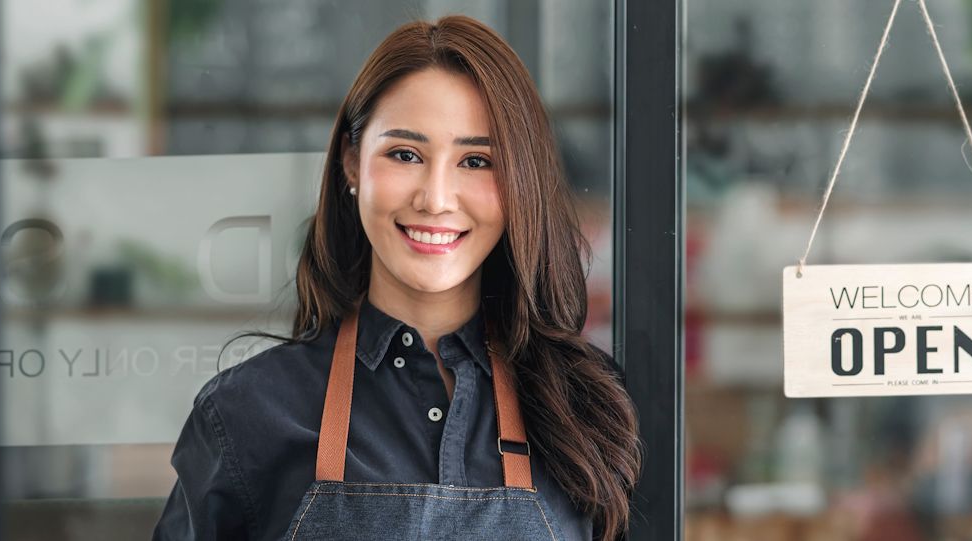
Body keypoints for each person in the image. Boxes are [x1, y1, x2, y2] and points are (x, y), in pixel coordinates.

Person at [152, 15, 641, 541]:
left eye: (476, 161)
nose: (435, 198)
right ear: (350, 164)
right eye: (405, 154)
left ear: (520, 183)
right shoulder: (246, 414)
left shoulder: (580, 407)